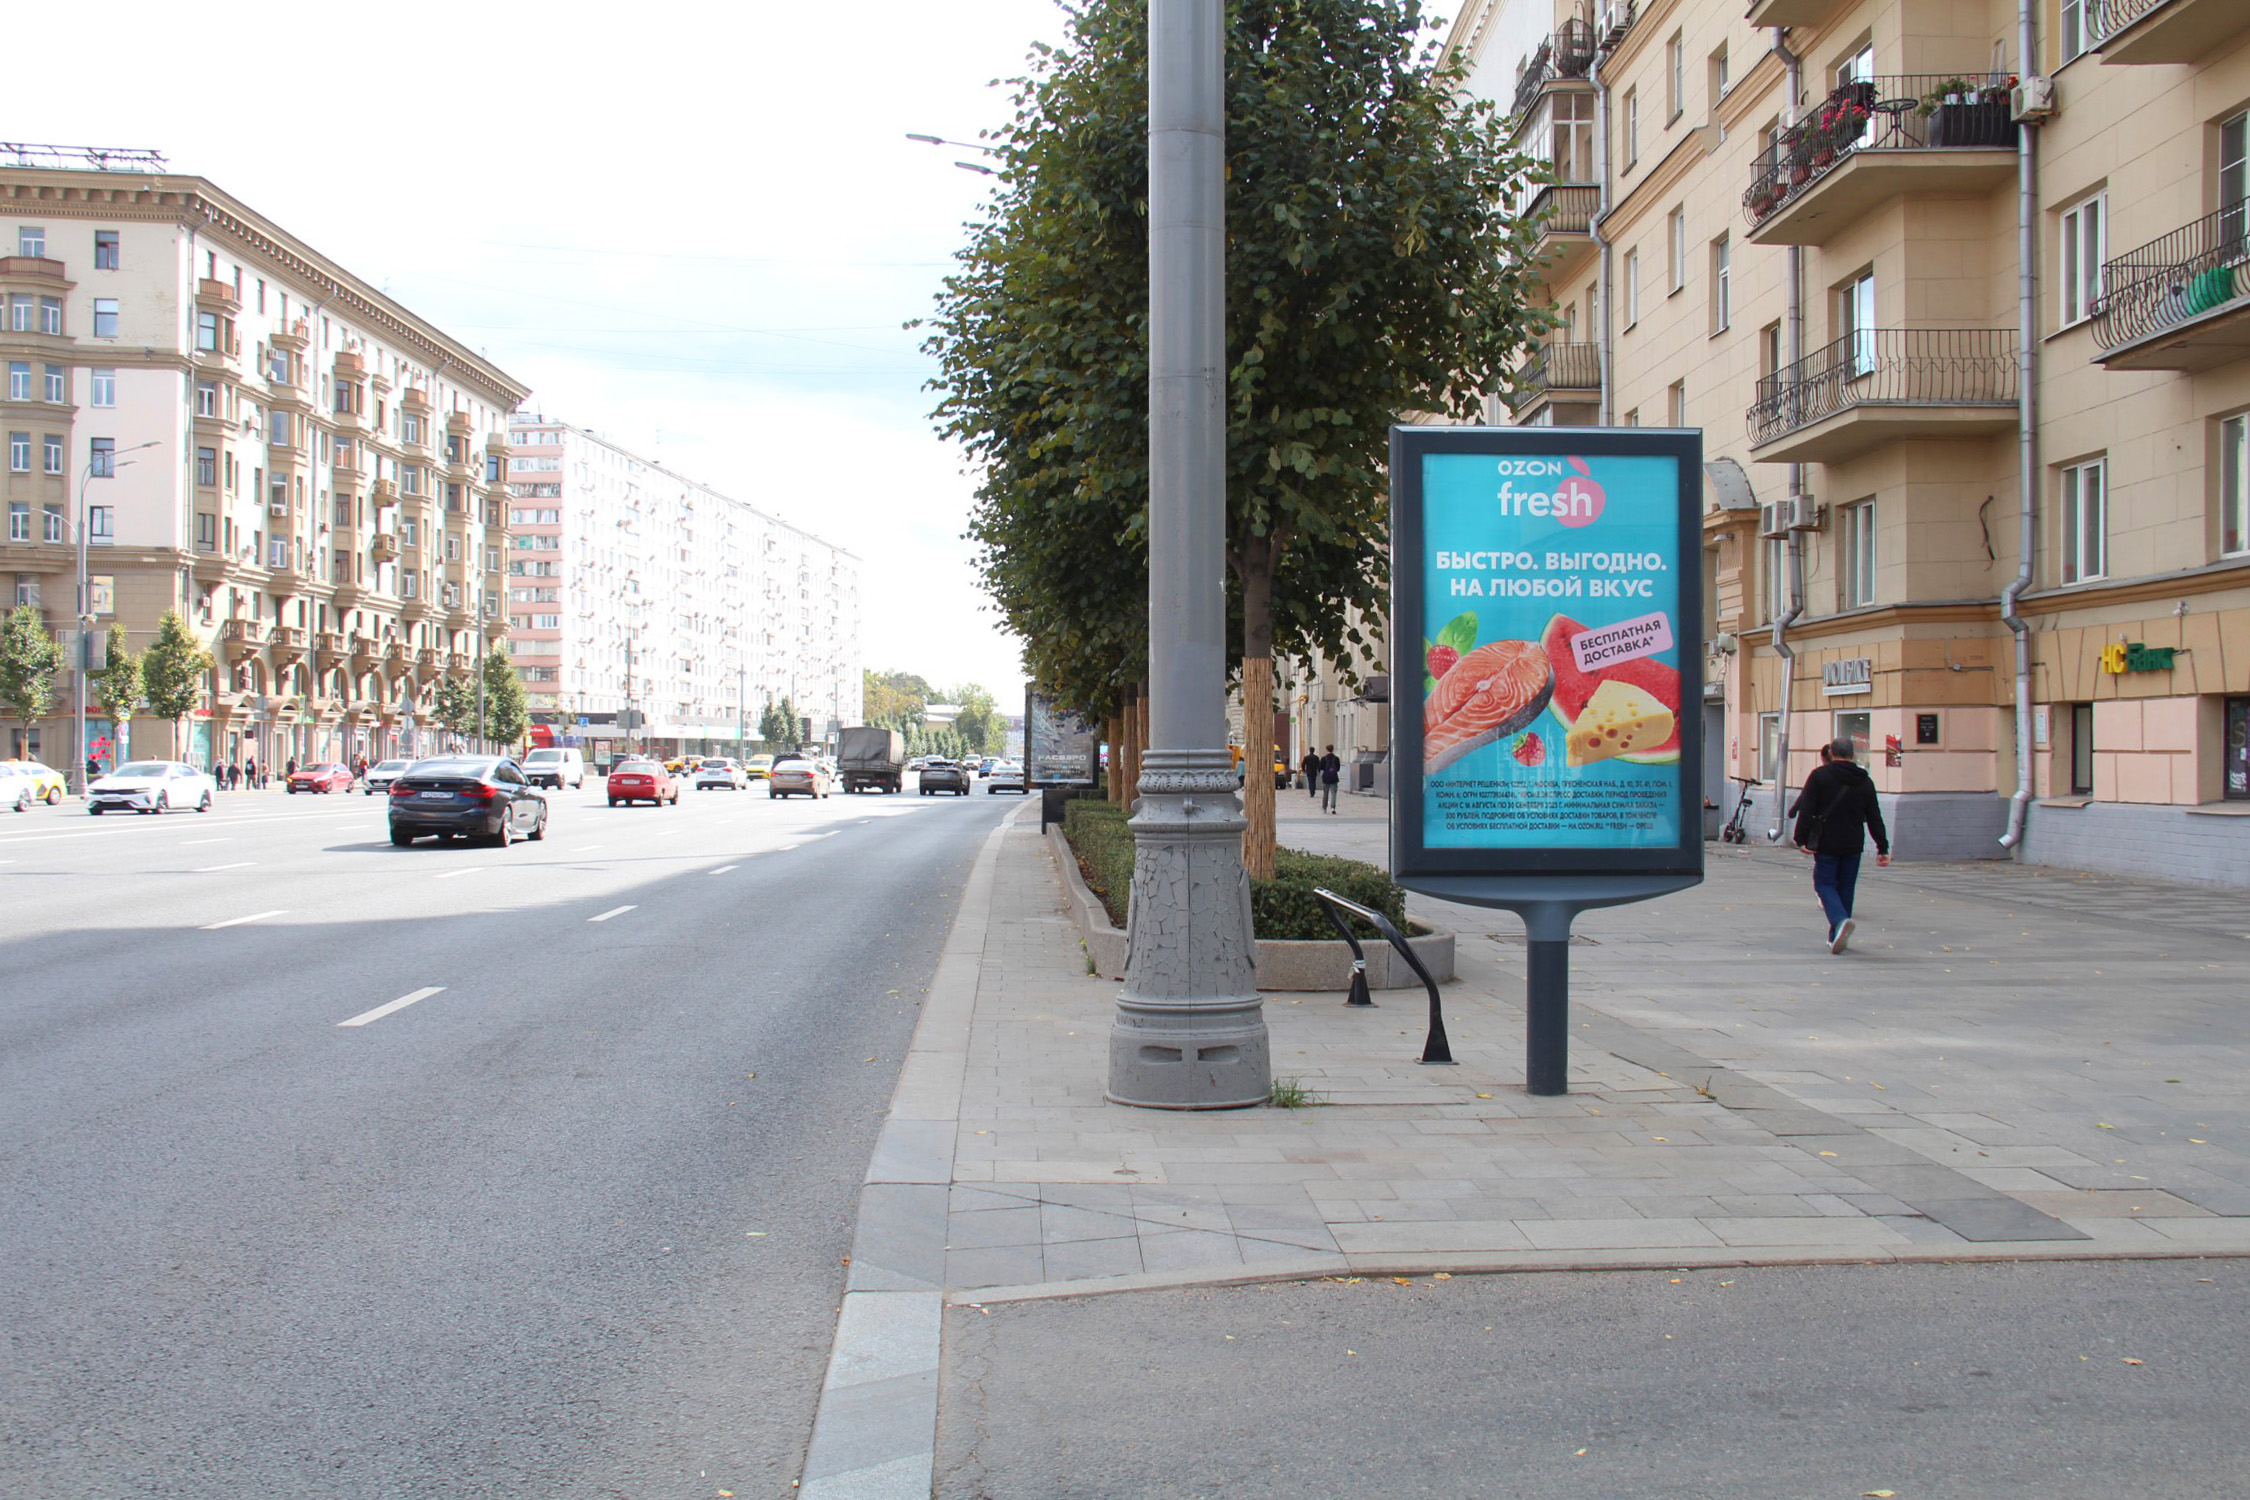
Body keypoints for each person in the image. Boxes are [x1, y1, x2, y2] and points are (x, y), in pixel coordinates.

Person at [1790, 735, 1891, 953]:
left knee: (1824, 884)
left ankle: (1840, 920)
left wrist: (1801, 838)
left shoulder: (1819, 776)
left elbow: (1807, 808)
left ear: (1831, 753)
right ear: (1852, 754)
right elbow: (1874, 816)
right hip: (1853, 842)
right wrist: (1882, 847)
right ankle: (1835, 936)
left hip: (1827, 841)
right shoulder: (1864, 780)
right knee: (1846, 887)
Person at [1318, 744, 1342, 814]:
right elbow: (1338, 768)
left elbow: (1321, 768)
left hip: (1326, 778)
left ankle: (1324, 808)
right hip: (1334, 778)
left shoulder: (1323, 758)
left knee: (1325, 793)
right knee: (1333, 793)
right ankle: (1333, 808)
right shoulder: (1336, 758)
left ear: (1327, 749)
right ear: (1333, 749)